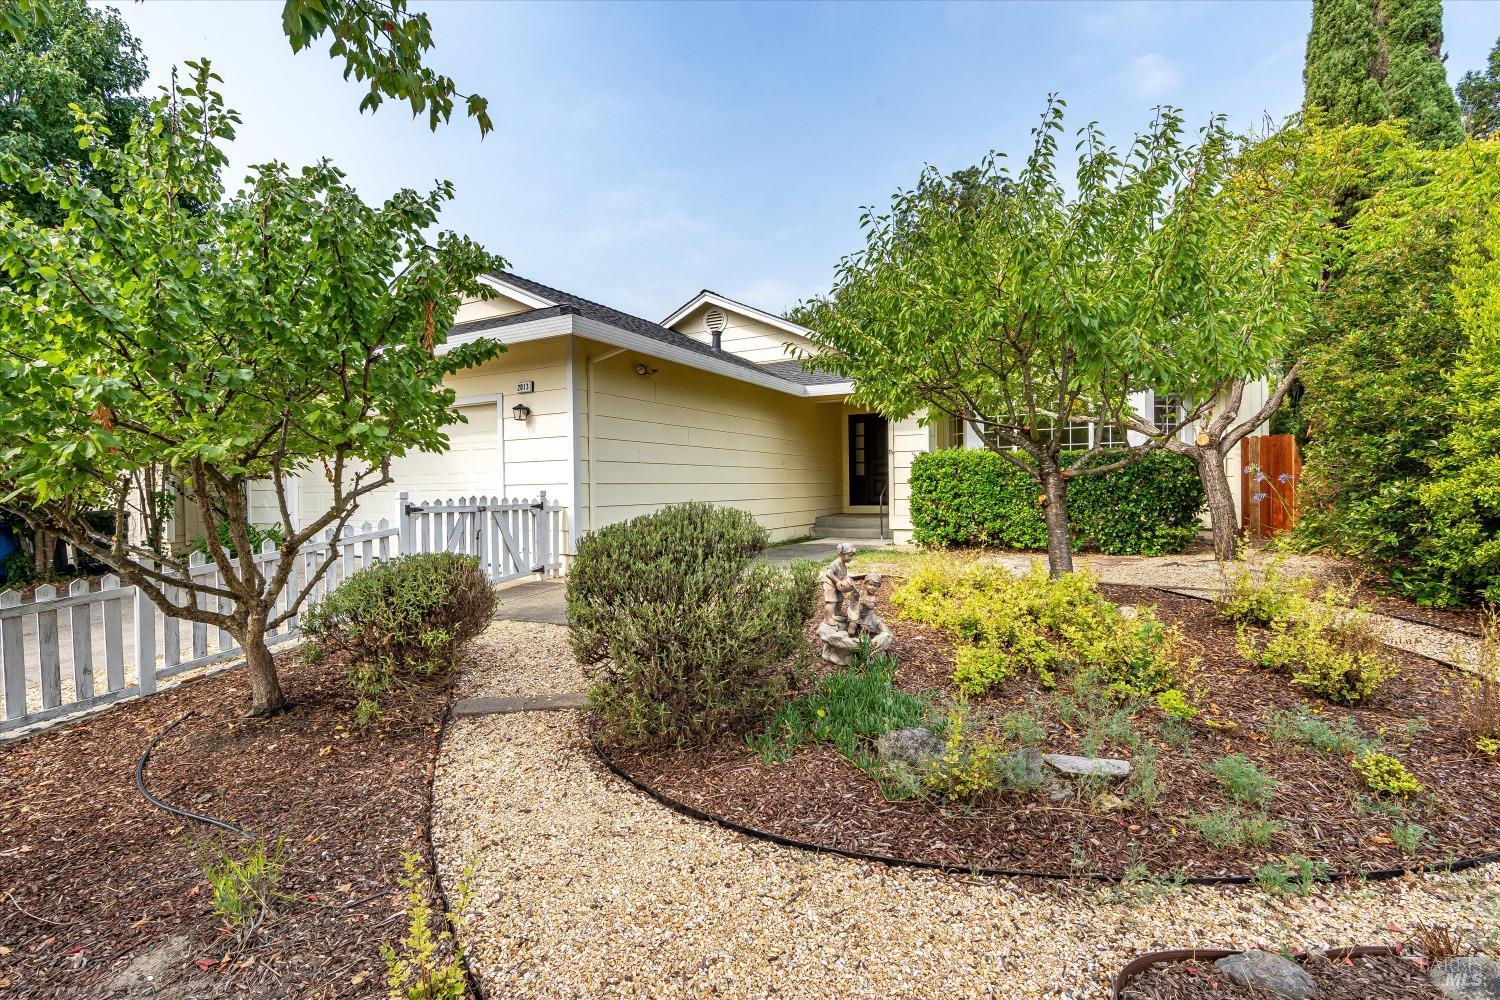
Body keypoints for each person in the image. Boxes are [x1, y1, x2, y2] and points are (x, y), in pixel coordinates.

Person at [819, 542, 859, 625]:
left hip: (838, 585)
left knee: (840, 599)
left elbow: (843, 576)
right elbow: (829, 573)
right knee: (831, 602)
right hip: (830, 585)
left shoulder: (843, 565)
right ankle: (828, 618)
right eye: (849, 555)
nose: (851, 558)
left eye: (852, 555)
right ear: (841, 554)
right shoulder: (836, 563)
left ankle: (837, 612)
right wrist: (837, 581)